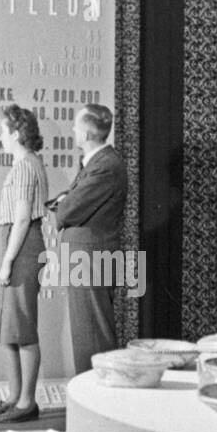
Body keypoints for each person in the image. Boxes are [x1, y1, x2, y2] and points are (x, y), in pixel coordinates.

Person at [0, 103, 48, 422]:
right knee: (10, 327)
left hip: (22, 246)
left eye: (3, 131)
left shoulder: (24, 166)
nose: (1, 136)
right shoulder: (30, 162)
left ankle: (26, 403)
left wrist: (7, 262)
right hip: (19, 244)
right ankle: (14, 397)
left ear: (17, 133)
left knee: (22, 328)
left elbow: (22, 219)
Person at [52, 103, 128, 374]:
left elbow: (70, 209)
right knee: (87, 333)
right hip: (87, 257)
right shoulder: (98, 163)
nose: (73, 129)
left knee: (92, 334)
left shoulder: (105, 165)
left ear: (85, 133)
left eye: (76, 125)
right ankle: (93, 400)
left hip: (90, 258)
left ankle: (98, 402)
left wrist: (62, 207)